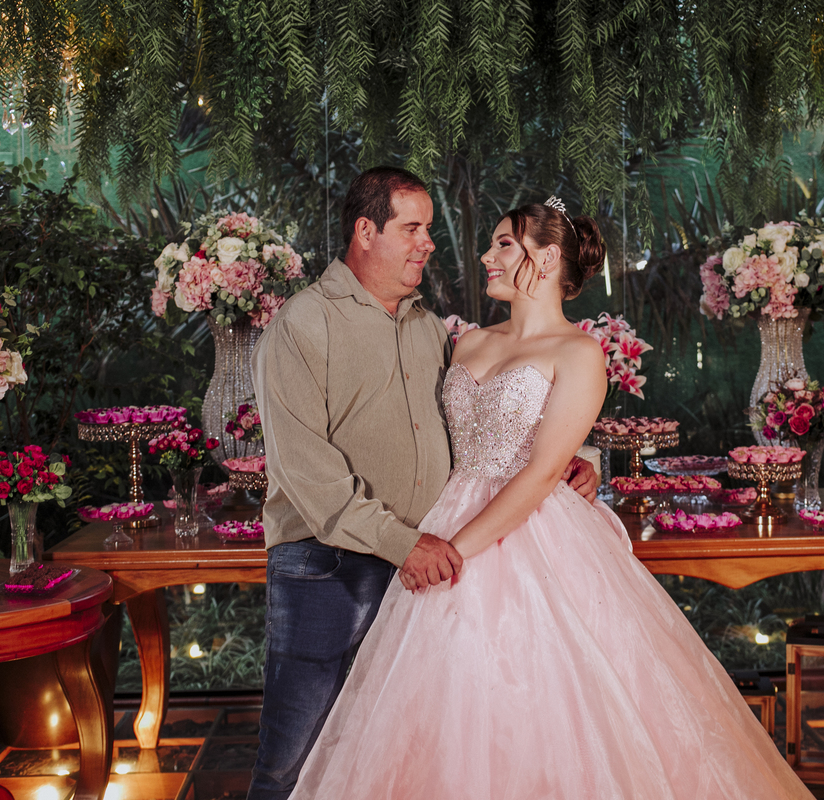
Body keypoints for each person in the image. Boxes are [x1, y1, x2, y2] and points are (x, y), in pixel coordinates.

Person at [288, 199, 817, 799]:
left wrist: (451, 551)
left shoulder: (579, 352)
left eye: (502, 244)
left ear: (546, 258)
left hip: (526, 534)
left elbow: (541, 472)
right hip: (445, 517)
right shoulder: (465, 343)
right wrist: (430, 540)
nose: (486, 256)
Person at [249, 169, 598, 799]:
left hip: (426, 565)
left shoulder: (429, 329)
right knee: (293, 759)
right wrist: (409, 545)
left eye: (429, 229)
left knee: (388, 755)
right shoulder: (302, 324)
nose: (429, 243)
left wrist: (575, 458)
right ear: (366, 231)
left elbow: (486, 430)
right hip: (328, 564)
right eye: (413, 228)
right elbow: (305, 470)